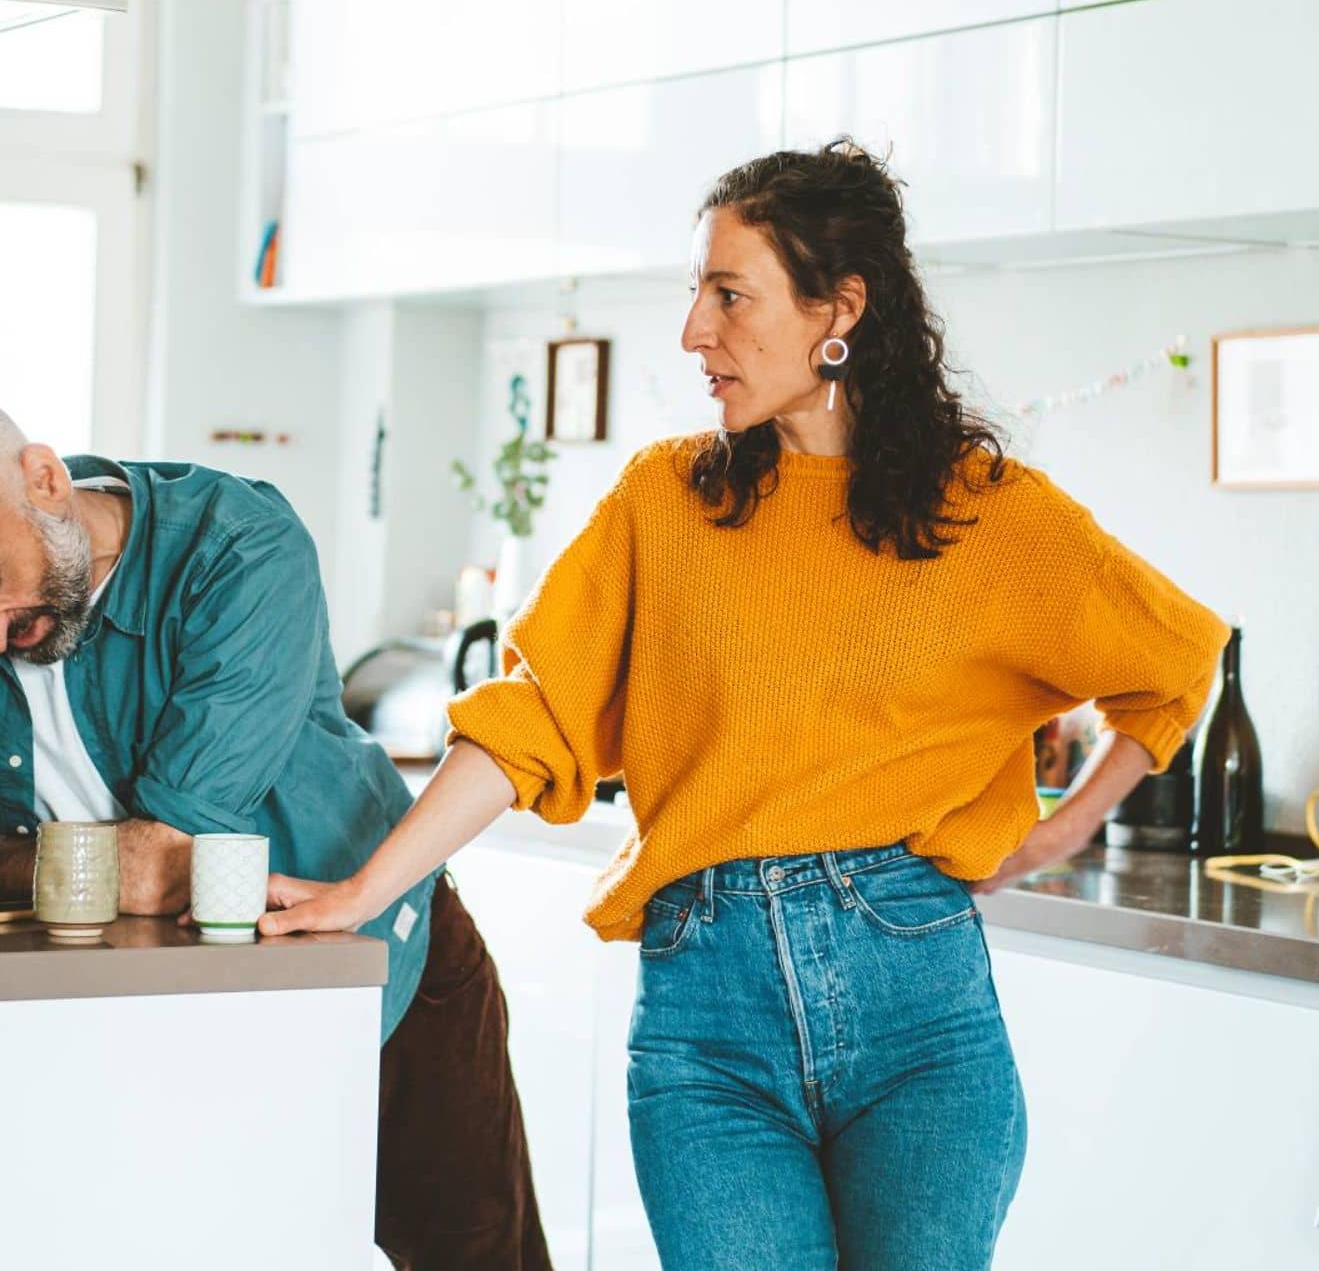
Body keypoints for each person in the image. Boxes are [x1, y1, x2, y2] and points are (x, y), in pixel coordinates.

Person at [259, 141, 1230, 1270]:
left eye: (729, 295)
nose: (692, 332)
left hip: (919, 1014)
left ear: (839, 309)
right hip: (703, 1026)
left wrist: (1063, 828)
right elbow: (533, 716)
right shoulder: (663, 505)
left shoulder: (985, 515)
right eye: (695, 294)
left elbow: (1173, 663)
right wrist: (366, 893)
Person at [0, 389, 551, 1270]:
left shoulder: (238, 549)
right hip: (153, 1022)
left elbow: (160, 871)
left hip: (375, 973)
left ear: (45, 481)